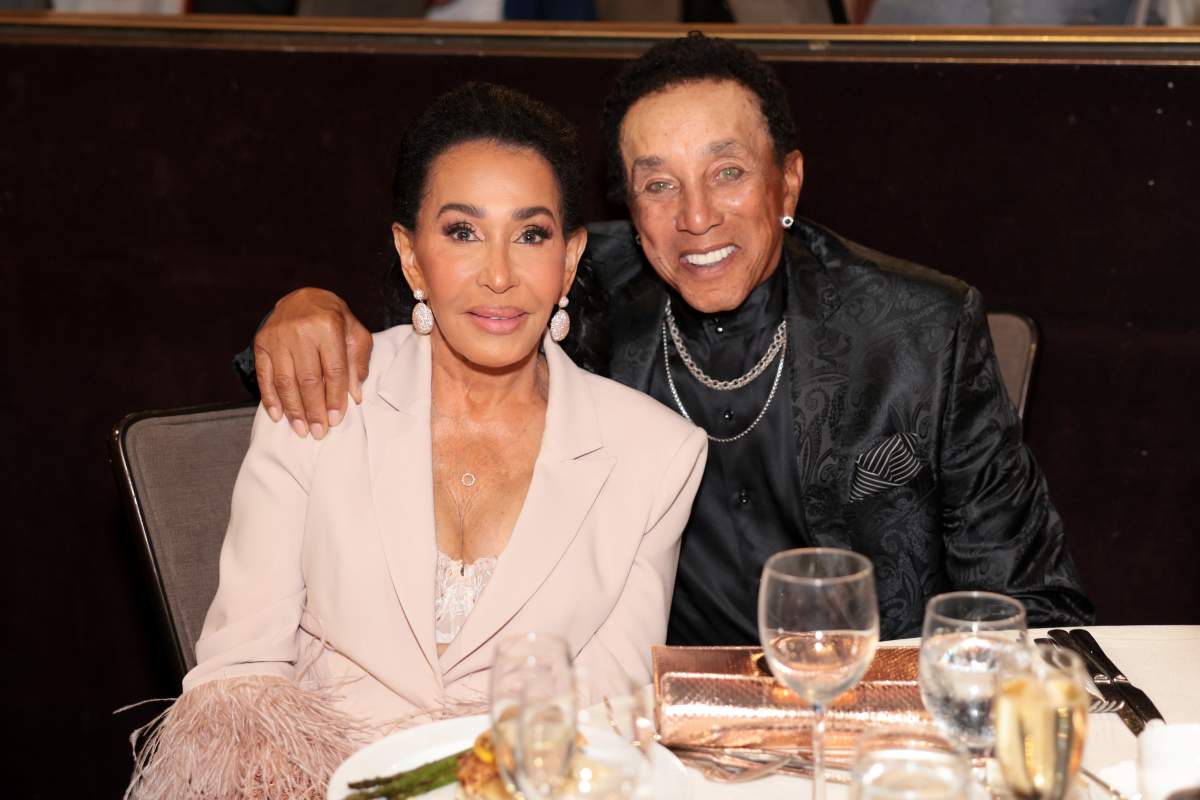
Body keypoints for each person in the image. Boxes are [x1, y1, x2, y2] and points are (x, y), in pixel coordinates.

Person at [246, 33, 1094, 646]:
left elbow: (1037, 611)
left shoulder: (918, 333)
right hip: (656, 736)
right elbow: (434, 299)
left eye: (727, 172)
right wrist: (305, 304)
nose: (695, 217)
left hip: (866, 732)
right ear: (626, 208)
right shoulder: (578, 286)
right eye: (659, 185)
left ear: (788, 180)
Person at [128, 82, 706, 799]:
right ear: (410, 256)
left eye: (531, 235)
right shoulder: (324, 393)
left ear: (568, 258)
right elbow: (239, 675)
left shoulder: (656, 454)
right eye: (462, 232)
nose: (498, 275)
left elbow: (607, 719)